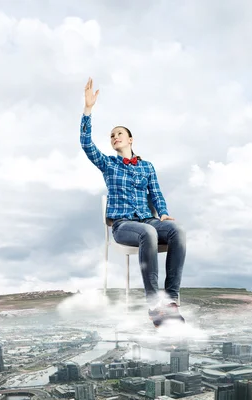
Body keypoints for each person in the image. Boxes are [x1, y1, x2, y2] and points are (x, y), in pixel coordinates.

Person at [79, 77, 186, 327]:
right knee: (147, 232)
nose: (115, 137)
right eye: (112, 136)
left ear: (130, 139)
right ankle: (154, 305)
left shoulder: (147, 167)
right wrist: (88, 110)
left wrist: (163, 213)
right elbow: (86, 144)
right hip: (123, 225)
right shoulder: (108, 163)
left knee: (177, 230)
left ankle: (170, 300)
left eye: (119, 134)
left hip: (148, 220)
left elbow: (156, 194)